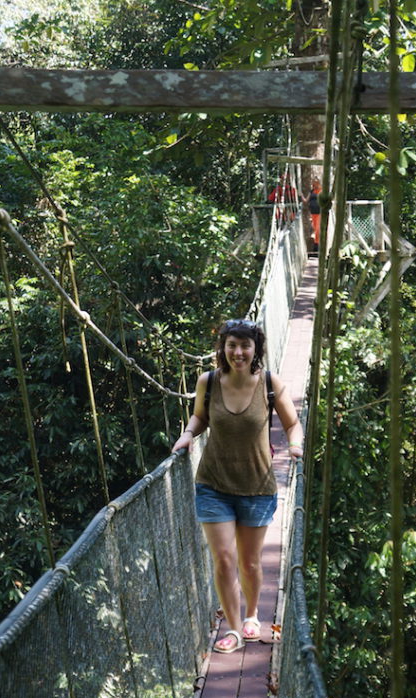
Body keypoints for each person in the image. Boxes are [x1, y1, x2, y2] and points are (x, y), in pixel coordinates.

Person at [172, 318, 304, 654]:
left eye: (245, 345)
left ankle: (252, 615)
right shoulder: (209, 381)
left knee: (249, 562)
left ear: (256, 349)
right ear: (223, 348)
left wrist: (296, 446)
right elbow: (200, 416)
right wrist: (188, 434)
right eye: (231, 345)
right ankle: (232, 628)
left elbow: (293, 425)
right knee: (224, 560)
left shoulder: (270, 384)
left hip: (257, 487)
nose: (238, 352)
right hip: (213, 483)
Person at [306, 177, 322, 253]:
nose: (313, 184)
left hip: (320, 212)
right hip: (313, 212)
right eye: (313, 183)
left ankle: (317, 246)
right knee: (315, 228)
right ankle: (316, 245)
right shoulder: (312, 191)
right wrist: (301, 195)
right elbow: (306, 200)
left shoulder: (321, 191)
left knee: (318, 229)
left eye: (315, 183)